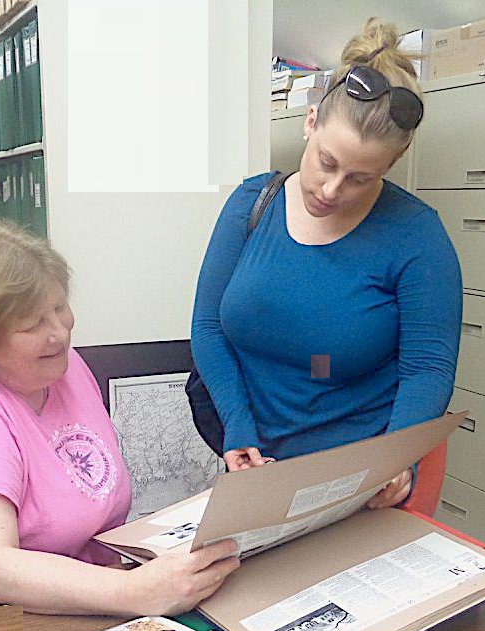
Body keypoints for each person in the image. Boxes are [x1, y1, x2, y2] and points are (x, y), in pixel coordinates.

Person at [0, 221, 238, 616]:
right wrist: (133, 591)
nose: (60, 332)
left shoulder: (61, 368)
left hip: (66, 594)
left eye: (59, 307)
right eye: (32, 324)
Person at [191, 17, 462, 508]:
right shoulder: (253, 204)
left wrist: (394, 460)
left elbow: (427, 368)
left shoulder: (416, 236)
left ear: (392, 165)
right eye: (326, 162)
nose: (333, 191)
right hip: (257, 466)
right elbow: (209, 327)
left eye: (361, 178)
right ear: (310, 122)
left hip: (360, 478)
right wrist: (237, 427)